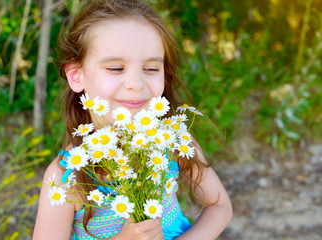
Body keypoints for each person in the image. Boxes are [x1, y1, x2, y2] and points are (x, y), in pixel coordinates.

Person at [33, 0, 233, 239]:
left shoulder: (173, 142)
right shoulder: (67, 177)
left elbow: (220, 207)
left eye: (151, 69)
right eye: (116, 68)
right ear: (77, 76)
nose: (137, 84)